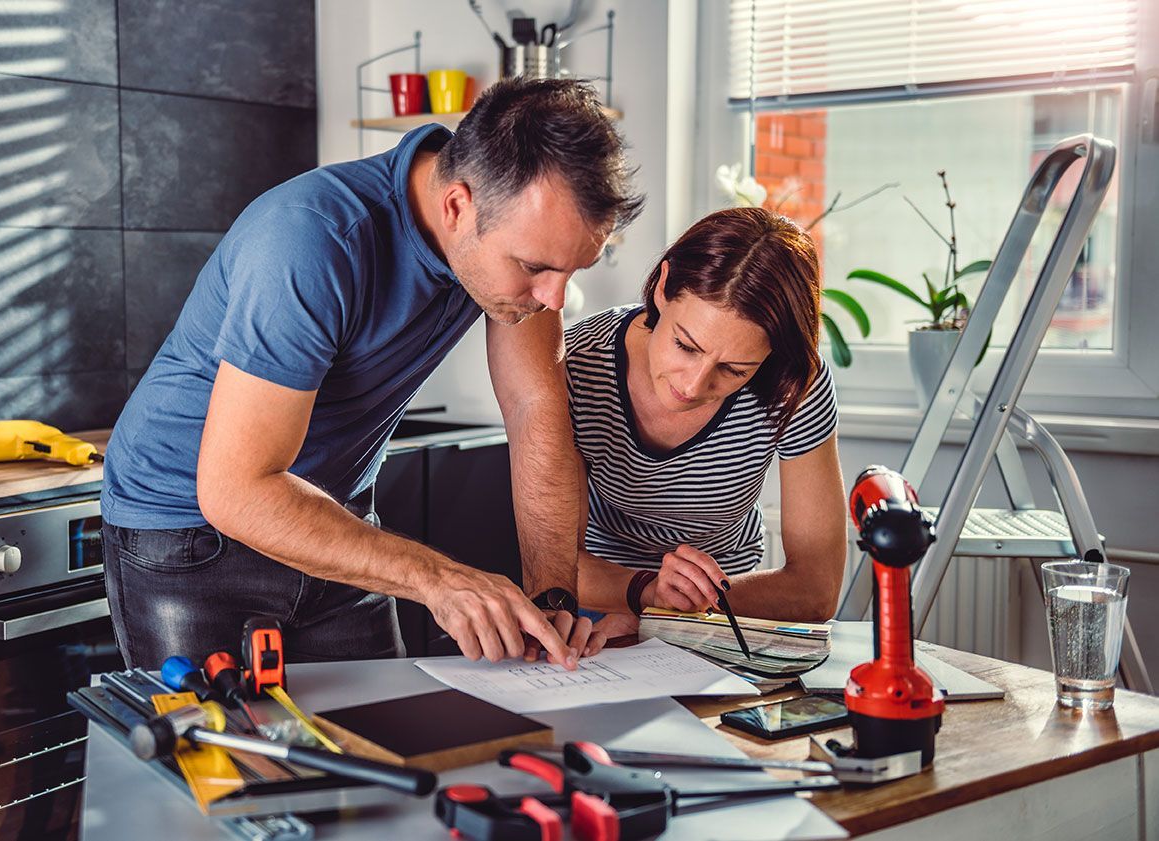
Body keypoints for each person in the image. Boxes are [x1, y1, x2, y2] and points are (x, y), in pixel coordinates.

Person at [99, 78, 644, 669]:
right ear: (457, 206)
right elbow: (237, 489)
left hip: (332, 517)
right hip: (191, 531)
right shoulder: (310, 239)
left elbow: (537, 413)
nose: (554, 297)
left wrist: (553, 597)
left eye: (571, 270)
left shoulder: (507, 244)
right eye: (536, 267)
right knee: (229, 758)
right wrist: (439, 578)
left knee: (382, 748)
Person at [561, 208, 848, 654]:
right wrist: (646, 593)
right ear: (661, 287)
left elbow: (816, 589)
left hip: (727, 613)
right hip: (596, 607)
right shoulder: (577, 364)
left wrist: (675, 611)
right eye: (685, 345)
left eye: (734, 369)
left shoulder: (795, 384)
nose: (694, 386)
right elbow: (552, 562)